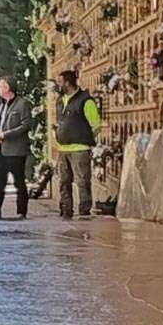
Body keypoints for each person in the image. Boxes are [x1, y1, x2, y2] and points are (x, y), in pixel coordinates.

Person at [54, 69, 101, 219]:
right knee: (64, 182)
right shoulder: (60, 101)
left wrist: (83, 137)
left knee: (82, 181)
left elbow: (96, 125)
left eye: (60, 82)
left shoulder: (86, 100)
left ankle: (84, 211)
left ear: (67, 83)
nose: (58, 85)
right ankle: (66, 210)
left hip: (80, 149)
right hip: (63, 149)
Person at [0, 77, 31, 220]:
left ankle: (21, 212)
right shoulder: (2, 105)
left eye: (0, 86)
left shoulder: (22, 104)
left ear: (7, 88)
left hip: (16, 150)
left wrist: (4, 134)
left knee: (19, 182)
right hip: (1, 151)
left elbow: (25, 125)